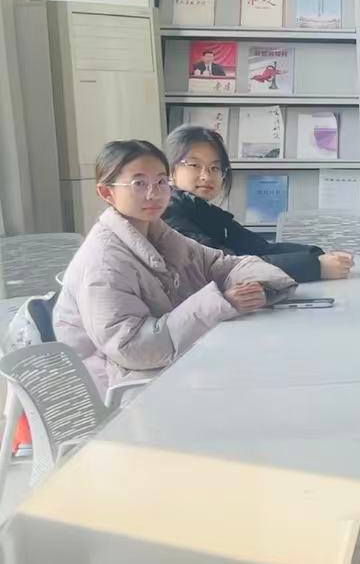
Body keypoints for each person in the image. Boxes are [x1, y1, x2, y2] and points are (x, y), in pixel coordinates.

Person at [53, 140, 297, 395]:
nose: (154, 193)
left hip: (173, 369)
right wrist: (222, 303)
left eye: (161, 181)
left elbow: (221, 264)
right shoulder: (103, 262)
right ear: (106, 193)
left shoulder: (159, 234)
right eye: (139, 184)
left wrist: (258, 287)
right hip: (123, 392)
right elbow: (132, 348)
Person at [162, 124, 353, 283]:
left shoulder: (205, 211)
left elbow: (262, 248)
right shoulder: (169, 214)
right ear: (170, 171)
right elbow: (229, 267)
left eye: (215, 167)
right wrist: (315, 266)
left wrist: (318, 254)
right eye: (194, 165)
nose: (206, 175)